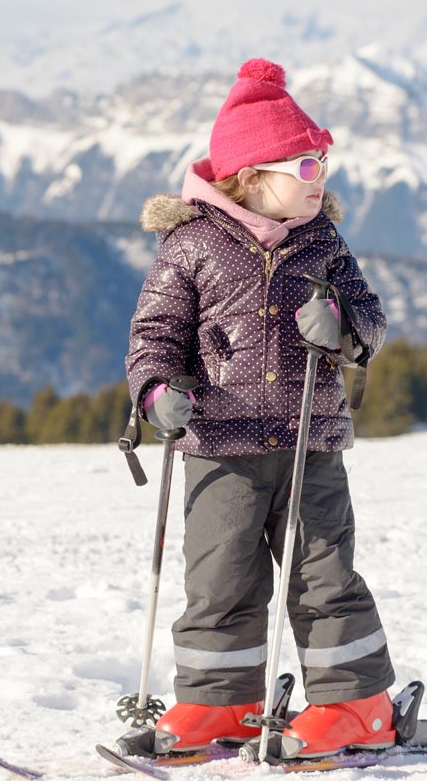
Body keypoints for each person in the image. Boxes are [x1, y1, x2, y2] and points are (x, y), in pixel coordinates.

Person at [124, 58, 393, 759]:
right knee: (219, 579)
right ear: (249, 174)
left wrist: (343, 321)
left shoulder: (322, 243)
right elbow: (154, 335)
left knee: (323, 574)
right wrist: (157, 390)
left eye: (323, 164)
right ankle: (221, 702)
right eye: (304, 167)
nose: (320, 181)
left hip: (310, 439)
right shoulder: (191, 246)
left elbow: (370, 316)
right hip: (218, 442)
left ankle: (358, 704)